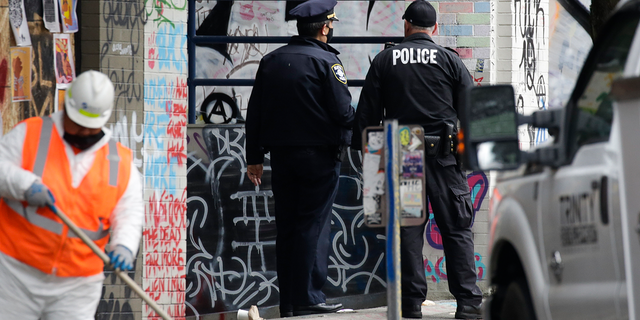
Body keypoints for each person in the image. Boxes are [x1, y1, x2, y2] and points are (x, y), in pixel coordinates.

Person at [352, 1, 484, 319]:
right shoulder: (450, 60)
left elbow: (367, 117)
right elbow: (472, 109)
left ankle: (410, 304)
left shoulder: (385, 60)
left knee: (408, 230)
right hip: (445, 156)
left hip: (404, 150)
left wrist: (370, 165)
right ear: (434, 28)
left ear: (407, 26)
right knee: (456, 228)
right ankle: (468, 304)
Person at [0, 70, 143, 319]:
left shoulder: (120, 161)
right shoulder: (31, 133)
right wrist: (25, 186)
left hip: (78, 284)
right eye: (78, 124)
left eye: (90, 127)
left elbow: (129, 210)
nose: (84, 132)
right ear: (66, 108)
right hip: (15, 272)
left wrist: (125, 246)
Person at [244, 0, 355, 317]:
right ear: (324, 27)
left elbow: (256, 113)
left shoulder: (272, 60)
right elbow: (343, 112)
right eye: (330, 25)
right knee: (313, 226)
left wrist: (254, 157)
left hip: (281, 158)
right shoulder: (327, 62)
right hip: (318, 158)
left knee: (288, 227)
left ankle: (290, 301)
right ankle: (309, 296)